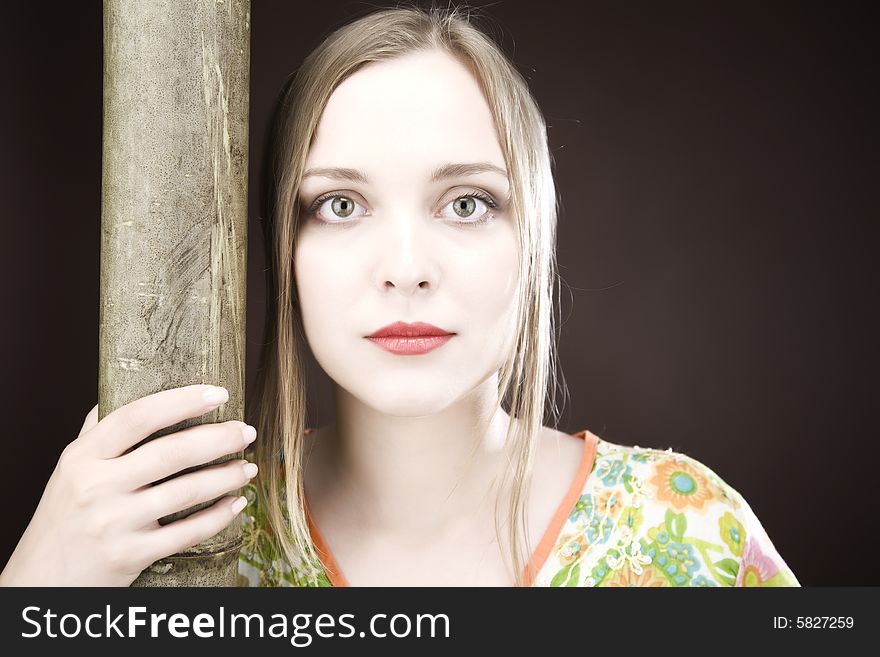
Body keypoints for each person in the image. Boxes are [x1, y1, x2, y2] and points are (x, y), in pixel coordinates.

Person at [0, 4, 799, 588]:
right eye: (340, 205)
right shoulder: (182, 546)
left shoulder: (690, 533)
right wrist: (39, 581)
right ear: (283, 247)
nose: (407, 268)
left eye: (467, 203)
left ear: (534, 238)